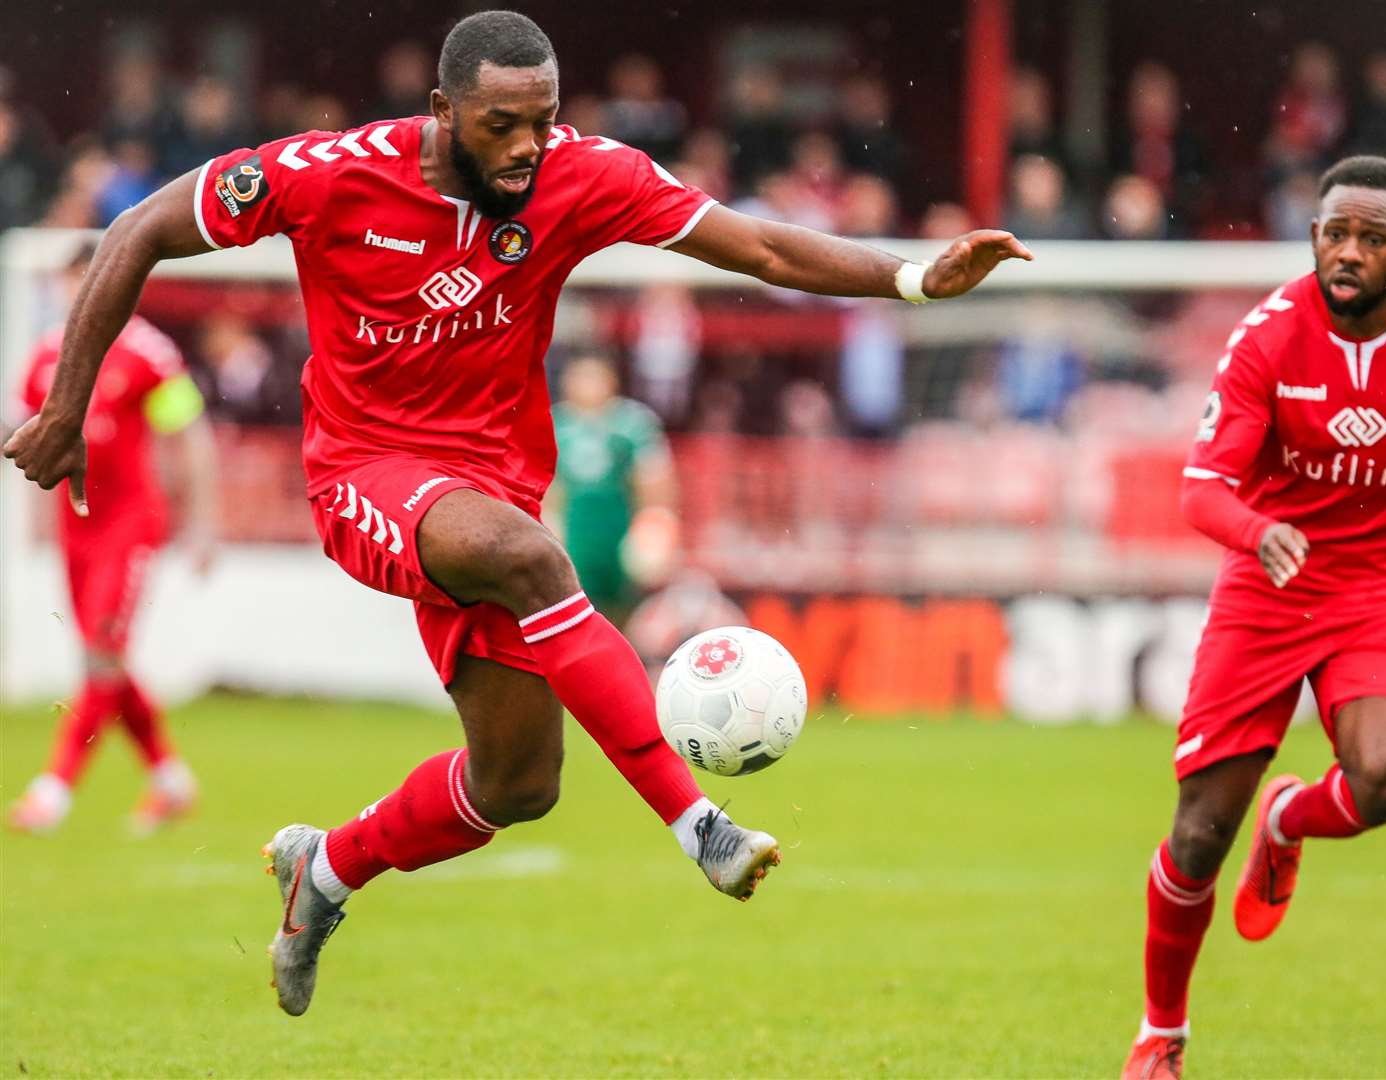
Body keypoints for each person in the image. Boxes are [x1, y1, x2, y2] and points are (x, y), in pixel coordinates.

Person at [2, 10, 1031, 1018]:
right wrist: (62, 409)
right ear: (445, 110)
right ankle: (699, 824)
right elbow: (136, 231)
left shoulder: (581, 172)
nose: (530, 145)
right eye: (504, 124)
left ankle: (326, 869)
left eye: (544, 118)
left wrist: (911, 279)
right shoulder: (326, 173)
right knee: (532, 559)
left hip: (490, 492)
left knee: (517, 784)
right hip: (364, 471)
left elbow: (755, 246)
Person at [1121, 155, 1386, 1080]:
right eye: (1333, 234)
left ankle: (1291, 819)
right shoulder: (1266, 339)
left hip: (1381, 588)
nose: (1347, 252)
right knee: (1196, 833)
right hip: (1266, 592)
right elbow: (1201, 491)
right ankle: (1161, 1031)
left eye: (1370, 238)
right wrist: (1256, 526)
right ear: (1314, 235)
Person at [6, 241, 216, 836]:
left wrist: (201, 524)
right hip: (76, 529)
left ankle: (53, 791)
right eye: (69, 280)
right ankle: (171, 780)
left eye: (86, 279)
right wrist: (35, 519)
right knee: (107, 660)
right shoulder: (47, 356)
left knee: (100, 650)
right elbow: (27, 435)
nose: (75, 292)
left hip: (130, 525)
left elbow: (191, 437)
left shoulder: (148, 351)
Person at [548, 352, 677, 624]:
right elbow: (549, 487)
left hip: (618, 524)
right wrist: (549, 523)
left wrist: (653, 525)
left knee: (625, 601)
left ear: (611, 380)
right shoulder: (555, 424)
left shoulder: (633, 424)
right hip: (576, 528)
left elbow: (653, 482)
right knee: (573, 601)